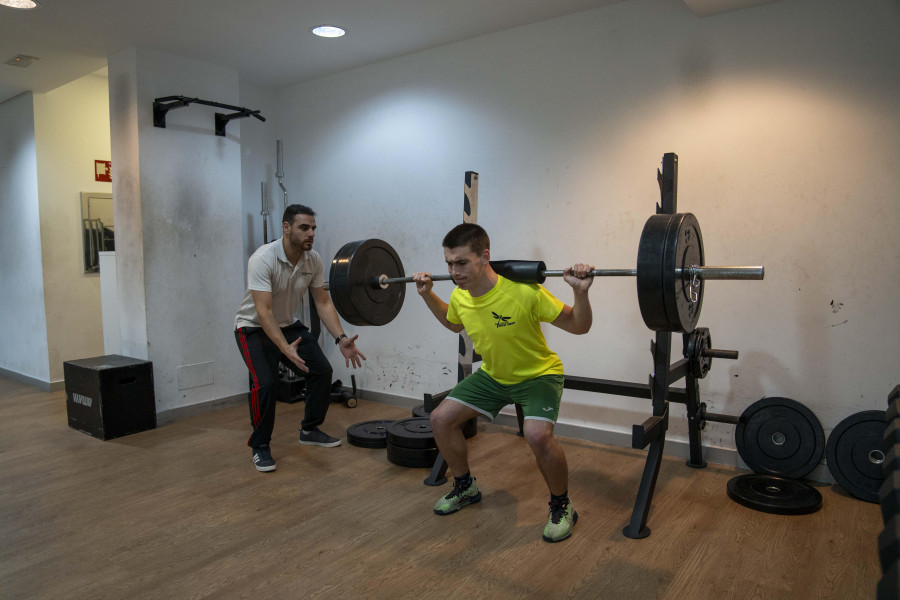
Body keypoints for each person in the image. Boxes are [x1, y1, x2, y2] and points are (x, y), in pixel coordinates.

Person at [411, 223, 594, 543]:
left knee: (536, 435)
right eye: (449, 264)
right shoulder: (460, 295)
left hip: (539, 374)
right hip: (494, 376)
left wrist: (580, 292)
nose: (454, 272)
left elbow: (579, 327)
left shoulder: (525, 291)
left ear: (485, 257)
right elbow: (454, 323)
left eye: (461, 263)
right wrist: (428, 296)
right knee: (440, 418)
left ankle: (562, 505)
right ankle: (465, 486)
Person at [234, 204, 366, 473]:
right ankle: (260, 446)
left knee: (321, 370)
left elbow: (323, 302)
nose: (311, 234)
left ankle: (309, 430)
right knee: (266, 384)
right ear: (286, 228)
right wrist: (284, 348)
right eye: (304, 228)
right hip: (253, 328)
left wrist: (341, 337)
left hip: (287, 326)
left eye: (314, 228)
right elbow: (264, 311)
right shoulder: (263, 259)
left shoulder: (312, 260)